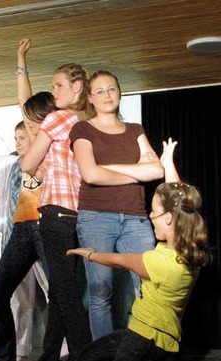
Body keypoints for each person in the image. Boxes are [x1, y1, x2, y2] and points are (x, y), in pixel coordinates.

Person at [55, 139, 213, 361]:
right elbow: (179, 200)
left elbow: (119, 260)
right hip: (142, 331)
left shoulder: (163, 262)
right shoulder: (185, 247)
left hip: (147, 337)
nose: (151, 216)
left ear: (169, 220)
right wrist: (168, 165)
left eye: (154, 212)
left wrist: (90, 254)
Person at [12, 37, 93, 361]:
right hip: (81, 214)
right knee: (63, 294)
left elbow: (28, 163)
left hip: (57, 212)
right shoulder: (87, 121)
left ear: (76, 87)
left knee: (66, 296)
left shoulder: (59, 118)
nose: (54, 91)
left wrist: (35, 163)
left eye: (59, 85)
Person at [71, 70, 163, 340]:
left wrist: (108, 169)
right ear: (90, 97)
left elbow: (156, 170)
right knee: (100, 292)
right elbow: (90, 175)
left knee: (149, 288)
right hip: (96, 218)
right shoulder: (83, 129)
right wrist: (136, 172)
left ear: (120, 92)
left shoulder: (135, 130)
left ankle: (145, 354)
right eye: (99, 91)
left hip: (136, 219)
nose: (107, 95)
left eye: (111, 89)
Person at [0, 115, 52, 361]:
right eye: (16, 138)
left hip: (44, 232)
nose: (19, 142)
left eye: (23, 137)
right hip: (19, 235)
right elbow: (5, 195)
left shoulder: (47, 161)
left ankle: (67, 355)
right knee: (8, 297)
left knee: (55, 296)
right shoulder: (14, 167)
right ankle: (12, 360)